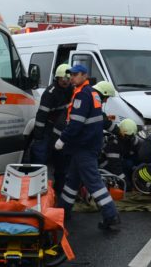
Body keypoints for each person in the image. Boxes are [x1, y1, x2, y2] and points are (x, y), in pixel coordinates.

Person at [55, 65, 121, 230]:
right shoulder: (91, 93)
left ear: (85, 75)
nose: (72, 77)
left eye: (76, 74)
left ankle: (111, 216)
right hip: (86, 145)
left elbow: (76, 122)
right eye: (71, 75)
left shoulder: (83, 95)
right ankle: (63, 211)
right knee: (73, 180)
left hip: (83, 146)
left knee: (93, 183)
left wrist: (62, 139)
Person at [30, 64, 73, 194]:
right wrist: (38, 136)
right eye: (62, 78)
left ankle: (60, 190)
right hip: (47, 128)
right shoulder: (50, 93)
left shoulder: (72, 89)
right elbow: (42, 115)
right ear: (57, 78)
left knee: (62, 159)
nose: (65, 81)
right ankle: (35, 190)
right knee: (40, 157)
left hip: (61, 129)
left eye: (67, 78)